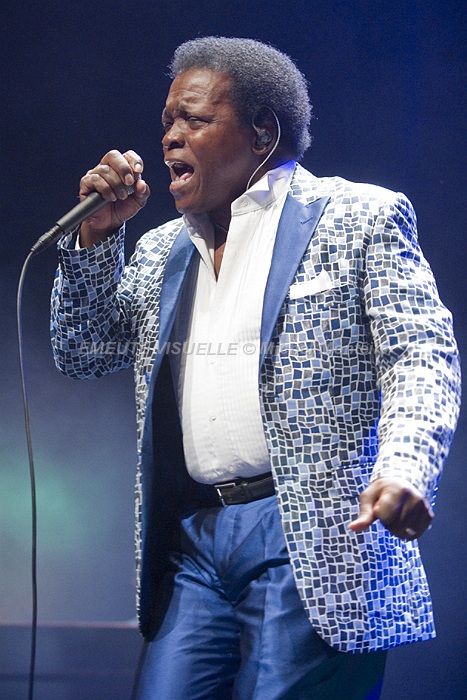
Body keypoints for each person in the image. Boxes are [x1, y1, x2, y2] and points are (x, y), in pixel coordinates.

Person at [50, 37, 460, 699]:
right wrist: (96, 239)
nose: (170, 138)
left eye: (194, 120)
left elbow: (421, 354)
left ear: (262, 134)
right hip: (194, 538)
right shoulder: (159, 250)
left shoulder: (358, 217)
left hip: (310, 530)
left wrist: (406, 466)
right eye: (166, 122)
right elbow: (83, 351)